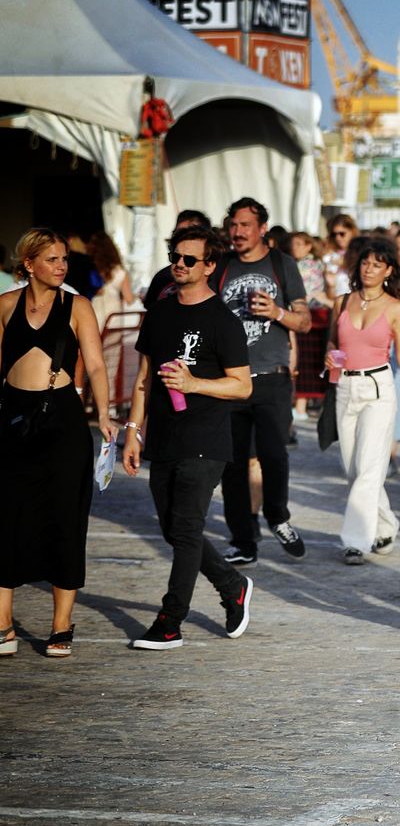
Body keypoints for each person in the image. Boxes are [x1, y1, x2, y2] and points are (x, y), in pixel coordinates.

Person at [120, 223, 255, 651]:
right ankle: (232, 584)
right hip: (162, 434)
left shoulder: (224, 321)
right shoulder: (159, 312)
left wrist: (195, 384)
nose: (179, 265)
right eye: (175, 257)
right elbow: (143, 379)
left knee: (186, 526)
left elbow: (242, 386)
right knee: (174, 530)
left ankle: (170, 621)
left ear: (210, 266)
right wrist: (132, 433)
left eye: (189, 259)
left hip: (206, 437)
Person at [166, 197, 310, 567]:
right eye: (233, 225)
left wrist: (276, 312)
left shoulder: (282, 264)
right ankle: (243, 539)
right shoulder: (222, 265)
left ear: (262, 228)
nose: (238, 231)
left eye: (246, 225)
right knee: (230, 465)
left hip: (271, 378)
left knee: (274, 454)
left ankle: (277, 516)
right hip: (229, 380)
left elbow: (305, 321)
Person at [0, 230, 116, 658]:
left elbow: (99, 366)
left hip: (62, 419)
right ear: (29, 264)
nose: (62, 266)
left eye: (64, 259)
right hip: (11, 418)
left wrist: (103, 414)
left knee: (65, 518)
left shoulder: (78, 306)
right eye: (52, 259)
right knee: (6, 515)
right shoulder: (4, 306)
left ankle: (61, 624)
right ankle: (3, 624)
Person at [327, 239, 400, 564]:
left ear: (388, 271)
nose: (369, 268)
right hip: (345, 387)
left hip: (378, 387)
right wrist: (330, 359)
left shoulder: (396, 307)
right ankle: (386, 524)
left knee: (370, 467)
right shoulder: (341, 302)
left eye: (377, 264)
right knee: (353, 468)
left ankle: (356, 540)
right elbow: (333, 344)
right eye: (365, 262)